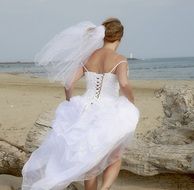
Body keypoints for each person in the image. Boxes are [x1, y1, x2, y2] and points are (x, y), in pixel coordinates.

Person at [21, 18, 140, 190]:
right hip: (109, 112)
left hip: (84, 109)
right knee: (116, 154)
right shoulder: (120, 60)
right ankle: (105, 188)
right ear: (119, 38)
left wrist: (71, 103)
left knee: (89, 160)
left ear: (103, 36)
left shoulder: (88, 57)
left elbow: (68, 84)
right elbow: (124, 84)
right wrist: (131, 101)